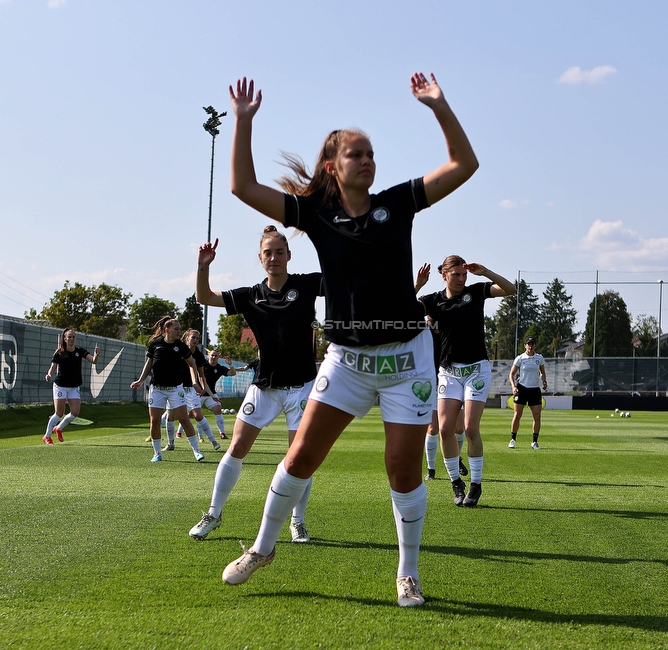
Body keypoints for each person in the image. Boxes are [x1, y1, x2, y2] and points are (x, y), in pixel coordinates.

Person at [219, 71, 477, 607]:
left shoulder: (398, 203)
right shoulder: (315, 212)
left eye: (371, 153)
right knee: (300, 457)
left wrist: (439, 105)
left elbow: (464, 165)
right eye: (356, 154)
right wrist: (242, 123)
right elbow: (242, 187)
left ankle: (408, 573)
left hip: (407, 360)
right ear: (334, 166)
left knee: (403, 468)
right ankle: (263, 548)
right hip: (347, 361)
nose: (367, 160)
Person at [190, 226, 323, 544]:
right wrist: (203, 266)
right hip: (265, 388)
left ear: (289, 256)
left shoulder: (306, 285)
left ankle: (298, 521)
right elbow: (203, 297)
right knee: (236, 448)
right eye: (268, 252)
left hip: (302, 387)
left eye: (280, 251)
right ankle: (213, 513)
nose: (274, 257)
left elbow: (347, 281)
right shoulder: (251, 295)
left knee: (300, 457)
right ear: (260, 258)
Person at [418, 255, 515, 508]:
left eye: (464, 275)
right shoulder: (432, 301)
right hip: (448, 372)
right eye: (456, 275)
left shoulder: (476, 291)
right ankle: (456, 484)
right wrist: (417, 285)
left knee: (470, 428)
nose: (462, 279)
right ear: (445, 275)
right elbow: (398, 308)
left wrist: (486, 272)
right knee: (446, 429)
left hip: (476, 370)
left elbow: (511, 289)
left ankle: (476, 485)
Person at [415, 264, 466, 481]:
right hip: (429, 379)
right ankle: (431, 469)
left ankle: (457, 456)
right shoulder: (419, 326)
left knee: (459, 426)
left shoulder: (447, 313)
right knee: (433, 427)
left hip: (453, 373)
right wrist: (417, 285)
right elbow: (400, 303)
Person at [130, 317, 206, 463]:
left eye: (179, 328)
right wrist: (140, 380)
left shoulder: (181, 347)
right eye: (176, 328)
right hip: (157, 389)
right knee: (155, 421)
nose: (179, 331)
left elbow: (192, 364)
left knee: (184, 419)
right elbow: (149, 364)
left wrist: (195, 382)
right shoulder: (155, 345)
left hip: (175, 389)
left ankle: (196, 450)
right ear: (167, 330)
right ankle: (157, 453)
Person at [160, 329, 221, 452]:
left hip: (190, 389)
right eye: (193, 337)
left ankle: (213, 440)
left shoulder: (198, 356)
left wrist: (208, 392)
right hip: (175, 387)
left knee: (198, 415)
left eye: (197, 338)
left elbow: (201, 376)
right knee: (170, 416)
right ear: (187, 338)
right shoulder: (179, 350)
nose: (195, 340)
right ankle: (170, 443)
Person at [43, 329, 99, 444]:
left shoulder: (80, 351)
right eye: (69, 337)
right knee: (59, 413)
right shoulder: (60, 352)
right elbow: (53, 366)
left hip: (74, 386)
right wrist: (49, 374)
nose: (72, 339)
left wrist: (97, 355)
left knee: (75, 412)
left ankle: (58, 428)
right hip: (61, 386)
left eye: (73, 337)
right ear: (65, 339)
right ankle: (47, 436)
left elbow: (93, 361)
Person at [508, 336, 547, 449]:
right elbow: (511, 374)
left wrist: (544, 380)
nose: (530, 346)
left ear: (535, 345)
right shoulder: (520, 358)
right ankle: (513, 440)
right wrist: (513, 386)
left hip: (534, 389)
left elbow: (542, 372)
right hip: (522, 389)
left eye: (532, 344)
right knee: (517, 415)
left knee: (537, 416)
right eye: (528, 344)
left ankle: (534, 441)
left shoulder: (539, 358)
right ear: (525, 345)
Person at [200, 348, 236, 439]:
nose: (214, 357)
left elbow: (232, 373)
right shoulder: (202, 365)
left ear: (218, 357)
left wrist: (230, 365)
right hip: (198, 393)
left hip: (210, 393)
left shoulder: (219, 368)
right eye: (212, 355)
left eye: (216, 356)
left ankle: (222, 433)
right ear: (208, 356)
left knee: (218, 409)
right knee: (192, 414)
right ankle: (179, 432)